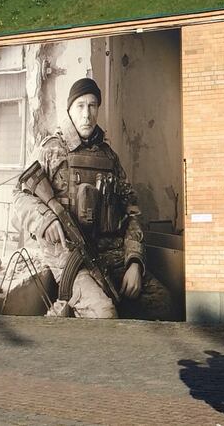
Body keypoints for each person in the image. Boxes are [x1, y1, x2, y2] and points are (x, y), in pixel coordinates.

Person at [13, 77, 172, 319]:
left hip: (109, 255)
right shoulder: (51, 150)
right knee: (105, 313)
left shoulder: (109, 157)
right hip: (67, 257)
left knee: (162, 301)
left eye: (92, 105)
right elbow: (18, 197)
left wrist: (134, 262)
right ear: (70, 110)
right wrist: (45, 219)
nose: (87, 114)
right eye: (80, 106)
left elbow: (132, 212)